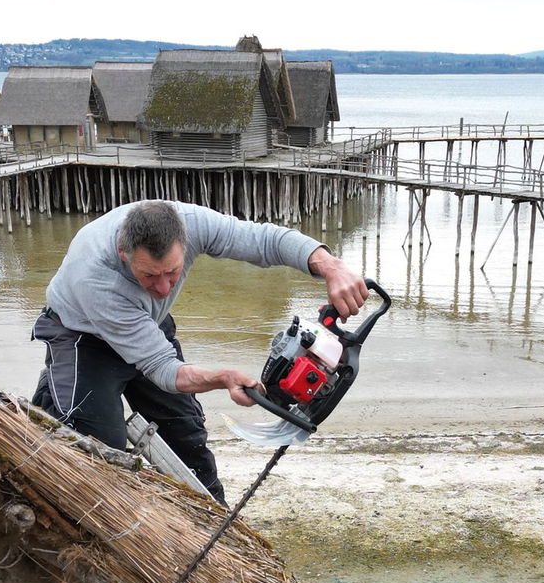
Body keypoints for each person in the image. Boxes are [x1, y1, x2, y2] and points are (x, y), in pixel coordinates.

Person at [30, 199, 367, 502]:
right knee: (101, 449)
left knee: (186, 433)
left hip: (145, 324)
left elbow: (264, 241)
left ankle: (214, 517)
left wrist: (330, 266)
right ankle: (57, 396)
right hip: (84, 337)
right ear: (123, 254)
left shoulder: (189, 223)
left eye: (173, 272)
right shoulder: (96, 278)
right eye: (149, 276)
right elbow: (162, 368)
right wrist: (222, 377)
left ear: (185, 241)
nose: (164, 288)